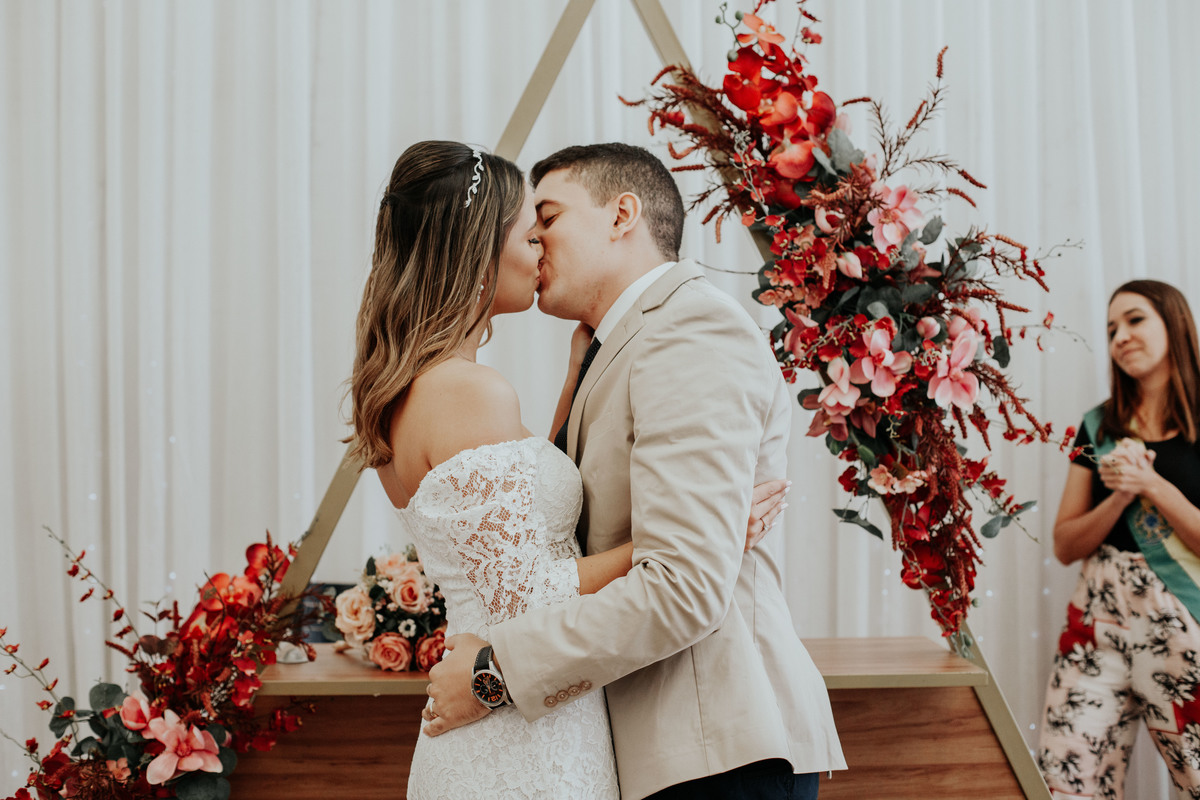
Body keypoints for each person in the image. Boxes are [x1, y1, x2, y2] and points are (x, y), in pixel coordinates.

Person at [348, 141, 789, 799]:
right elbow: (529, 590)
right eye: (530, 231)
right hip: (523, 732)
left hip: (529, 723)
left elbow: (524, 539)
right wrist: (713, 532)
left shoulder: (407, 392)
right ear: (477, 249)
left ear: (622, 216)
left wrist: (575, 375)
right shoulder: (472, 392)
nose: (540, 246)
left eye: (547, 222)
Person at [1038, 279, 1200, 797]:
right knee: (1067, 780)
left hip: (1183, 622)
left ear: (1174, 324)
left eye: (1134, 320)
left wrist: (1151, 484)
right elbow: (1065, 545)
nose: (1120, 337)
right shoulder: (1097, 427)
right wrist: (1119, 496)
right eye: (1111, 329)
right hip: (1096, 624)